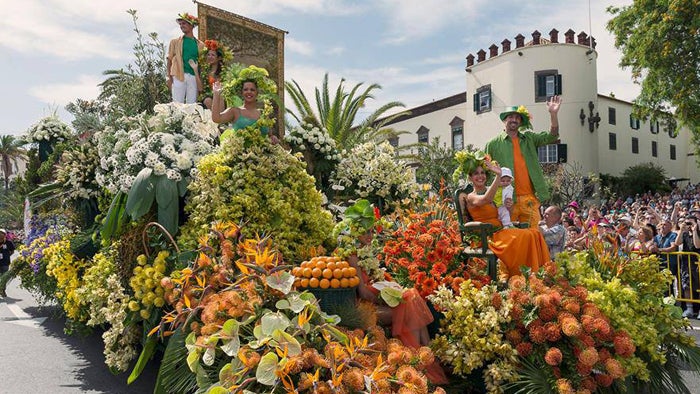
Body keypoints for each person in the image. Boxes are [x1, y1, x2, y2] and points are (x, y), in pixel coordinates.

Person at [461, 160, 550, 277]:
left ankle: (540, 274)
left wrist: (508, 206)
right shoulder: (471, 196)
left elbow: (505, 212)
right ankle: (520, 276)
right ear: (470, 178)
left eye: (482, 172)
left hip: (501, 231)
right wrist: (498, 176)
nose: (480, 176)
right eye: (476, 173)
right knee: (526, 236)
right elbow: (485, 200)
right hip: (487, 236)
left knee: (535, 233)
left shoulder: (494, 192)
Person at [485, 96, 561, 228]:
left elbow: (552, 136)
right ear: (504, 120)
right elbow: (484, 171)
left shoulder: (529, 138)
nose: (514, 119)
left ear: (520, 122)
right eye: (510, 117)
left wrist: (553, 114)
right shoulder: (492, 144)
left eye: (517, 117)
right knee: (510, 236)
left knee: (534, 234)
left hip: (529, 198)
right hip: (506, 200)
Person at [167, 12, 205, 104]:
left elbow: (202, 64)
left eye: (184, 23)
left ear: (191, 25)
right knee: (177, 104)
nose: (181, 26)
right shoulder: (175, 42)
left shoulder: (200, 44)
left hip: (193, 76)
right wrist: (168, 77)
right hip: (179, 74)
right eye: (180, 24)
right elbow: (169, 59)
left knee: (192, 105)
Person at [195, 40, 226, 109]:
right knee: (208, 100)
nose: (210, 57)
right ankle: (215, 118)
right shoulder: (204, 71)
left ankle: (221, 118)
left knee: (220, 98)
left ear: (219, 58)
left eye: (213, 55)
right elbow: (200, 88)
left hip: (220, 96)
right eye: (208, 55)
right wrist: (195, 70)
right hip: (207, 97)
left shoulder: (223, 72)